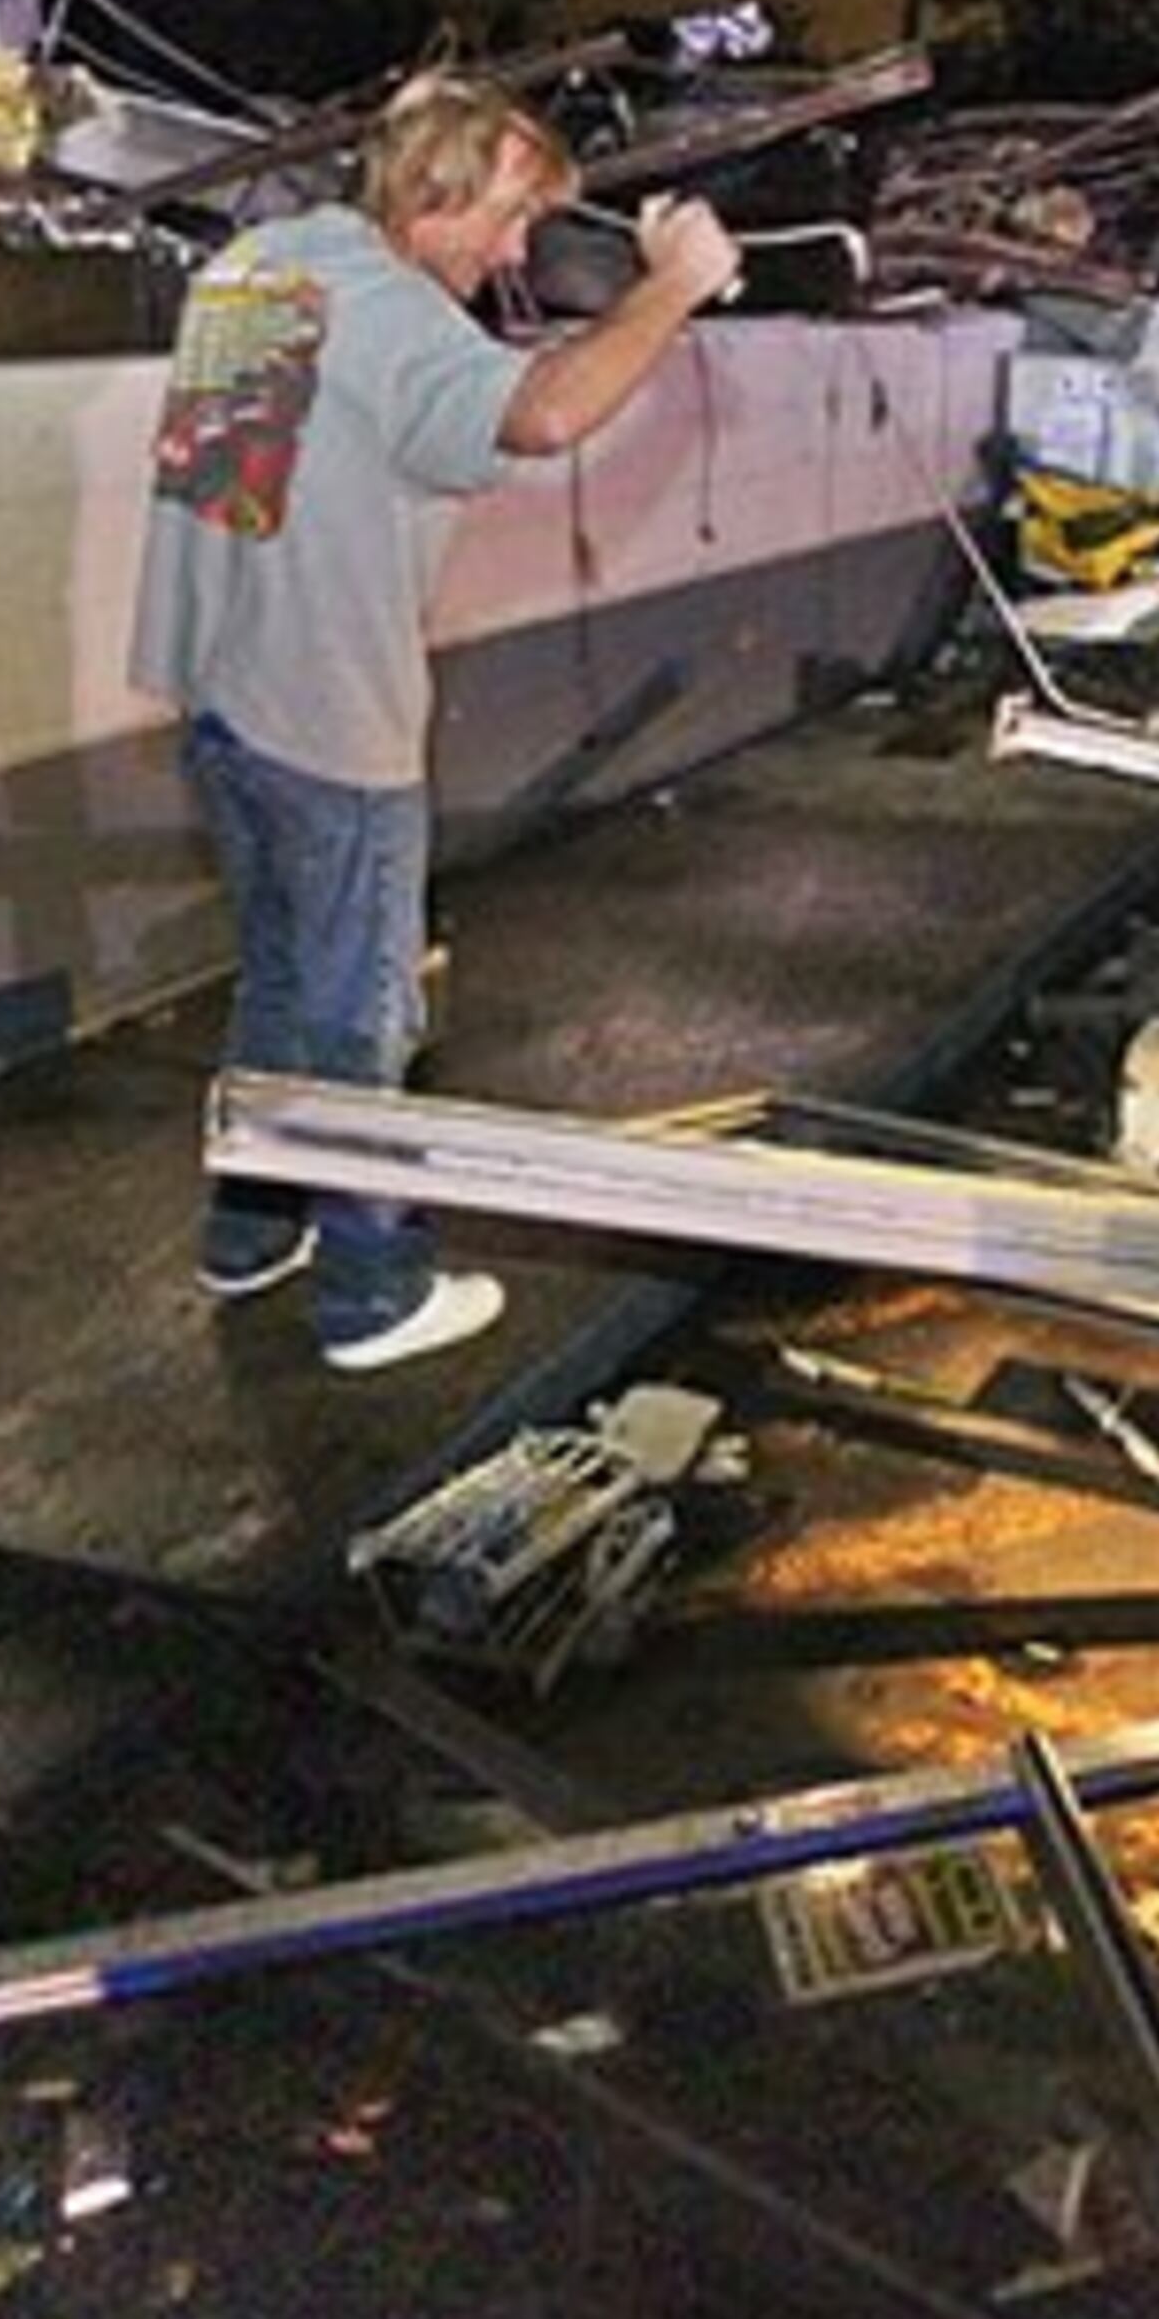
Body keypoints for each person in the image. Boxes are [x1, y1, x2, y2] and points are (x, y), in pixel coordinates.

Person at [130, 72, 741, 1372]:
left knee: (284, 978)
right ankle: (370, 1293)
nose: (516, 250)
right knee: (363, 1014)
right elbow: (552, 411)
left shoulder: (259, 264)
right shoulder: (398, 316)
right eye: (509, 216)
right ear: (433, 190)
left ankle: (248, 1230)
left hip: (219, 697)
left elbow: (248, 470)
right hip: (327, 719)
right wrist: (675, 285)